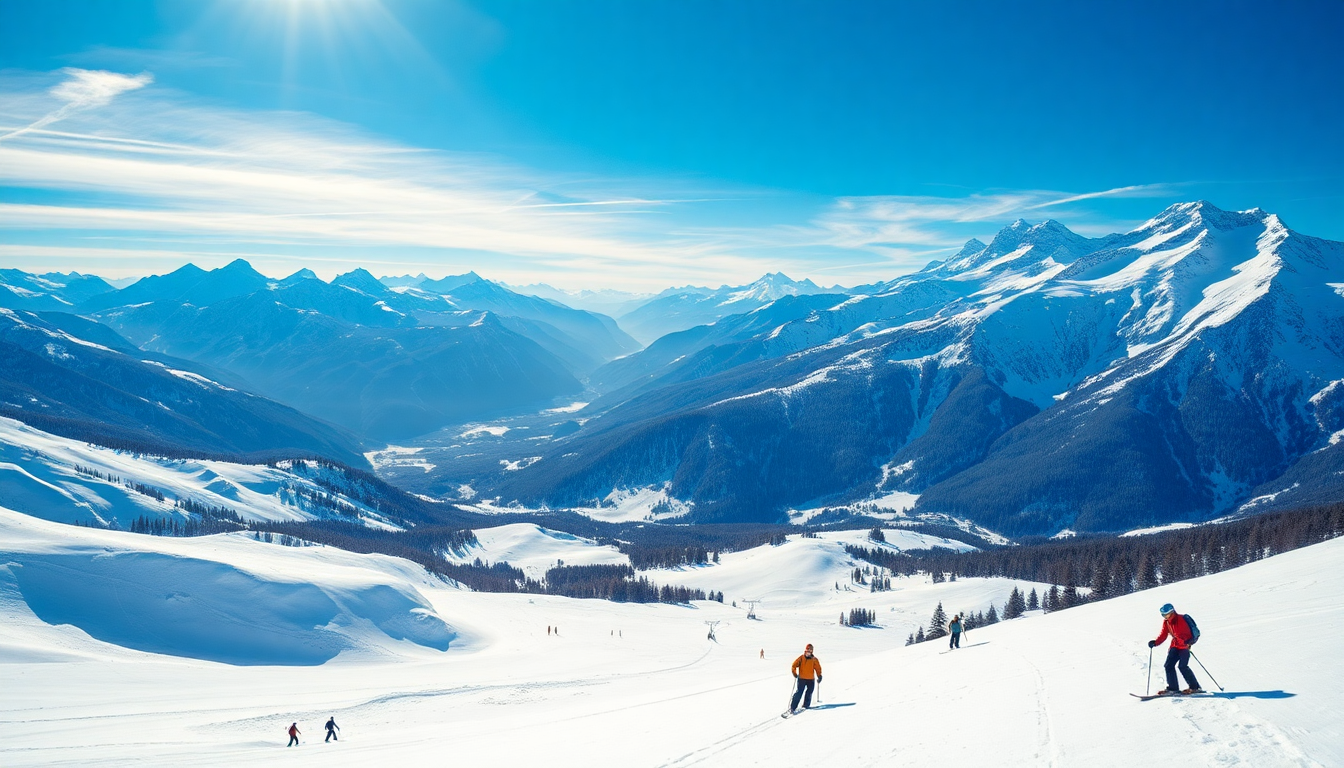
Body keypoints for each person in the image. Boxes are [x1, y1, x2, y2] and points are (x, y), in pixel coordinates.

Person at [1148, 603, 1203, 695]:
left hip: (1184, 647)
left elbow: (1191, 633)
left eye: (1167, 614)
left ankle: (1195, 687)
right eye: (1163, 615)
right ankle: (1173, 689)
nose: (1165, 617)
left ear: (1172, 612)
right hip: (1175, 646)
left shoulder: (1182, 619)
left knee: (1182, 666)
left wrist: (1188, 641)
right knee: (1168, 666)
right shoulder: (1166, 623)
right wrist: (1155, 642)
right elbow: (1164, 634)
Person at [789, 643, 823, 713]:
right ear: (805, 650)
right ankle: (793, 707)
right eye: (808, 650)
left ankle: (806, 705)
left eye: (810, 651)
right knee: (799, 692)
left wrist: (819, 676)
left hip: (810, 679)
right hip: (802, 678)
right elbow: (794, 665)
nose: (809, 652)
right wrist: (794, 673)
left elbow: (818, 668)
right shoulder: (801, 658)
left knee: (809, 692)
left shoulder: (814, 659)